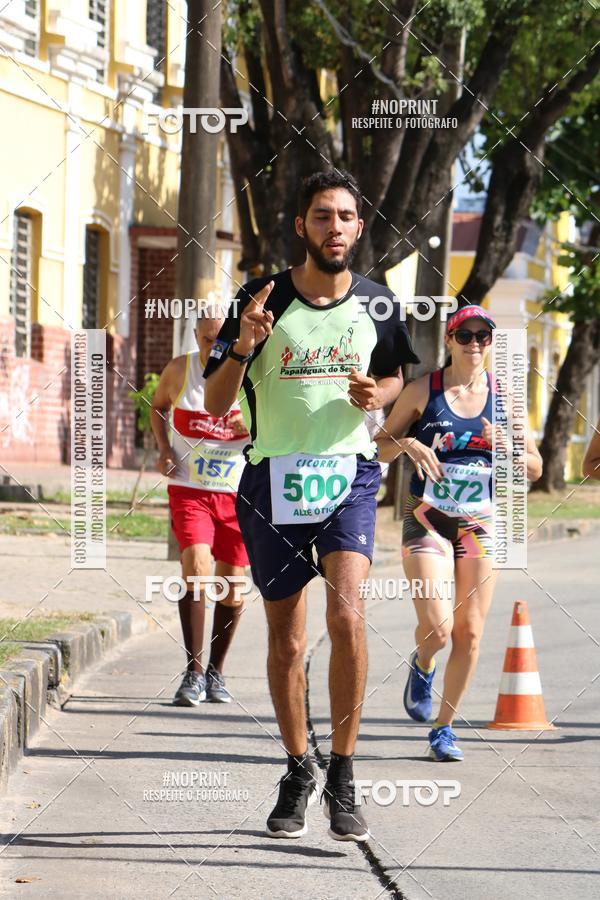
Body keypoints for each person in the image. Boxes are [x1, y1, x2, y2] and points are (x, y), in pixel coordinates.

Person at [204, 170, 419, 841]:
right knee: (287, 637)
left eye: (345, 217)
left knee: (349, 614)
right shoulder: (261, 296)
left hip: (349, 477)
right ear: (302, 225)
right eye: (321, 215)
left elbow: (395, 376)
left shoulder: (379, 304)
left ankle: (345, 774)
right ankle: (299, 769)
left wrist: (378, 397)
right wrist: (243, 344)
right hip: (273, 482)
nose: (334, 227)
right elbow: (214, 402)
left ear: (359, 228)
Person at [376, 306, 543, 761]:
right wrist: (408, 442)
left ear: (491, 344)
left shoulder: (506, 398)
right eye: (465, 336)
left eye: (483, 337)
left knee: (470, 635)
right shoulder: (422, 390)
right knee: (440, 628)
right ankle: (423, 662)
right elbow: (379, 448)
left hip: (479, 523)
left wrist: (507, 447)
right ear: (449, 340)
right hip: (427, 517)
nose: (474, 344)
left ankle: (443, 729)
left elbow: (535, 466)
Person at [151, 306, 250, 706]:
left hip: (238, 494)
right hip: (190, 489)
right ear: (196, 337)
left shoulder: (248, 376)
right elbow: (158, 406)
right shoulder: (180, 370)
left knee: (233, 587)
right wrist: (163, 449)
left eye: (221, 340)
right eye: (207, 340)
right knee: (196, 565)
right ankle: (192, 671)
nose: (214, 347)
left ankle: (216, 672)